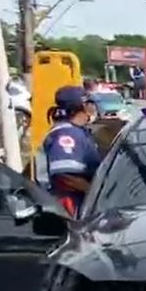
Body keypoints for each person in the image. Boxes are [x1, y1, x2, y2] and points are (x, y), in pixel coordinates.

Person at [35, 86, 102, 217]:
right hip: (69, 205)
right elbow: (65, 177)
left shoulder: (77, 131)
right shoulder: (66, 134)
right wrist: (96, 193)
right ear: (81, 107)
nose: (93, 109)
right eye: (89, 104)